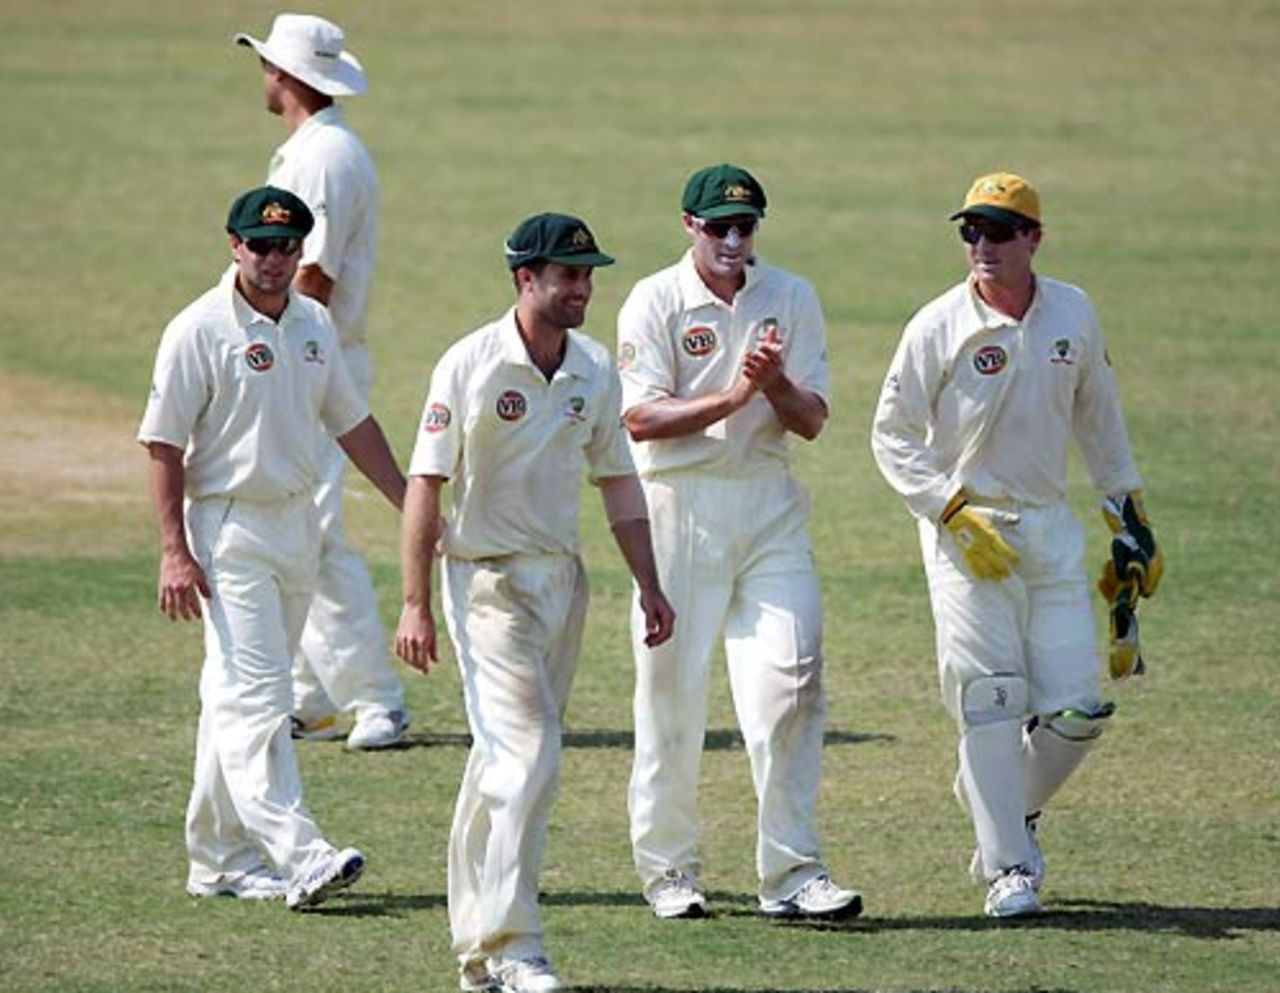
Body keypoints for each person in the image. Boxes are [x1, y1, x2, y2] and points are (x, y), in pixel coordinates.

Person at [870, 172, 1164, 917]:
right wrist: (949, 507)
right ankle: (1008, 865)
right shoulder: (937, 323)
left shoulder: (1073, 312)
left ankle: (994, 794)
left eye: (999, 232)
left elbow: (1100, 416)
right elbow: (892, 433)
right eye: (970, 231)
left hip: (1050, 528)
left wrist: (1128, 513)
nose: (982, 246)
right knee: (992, 701)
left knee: (1078, 710)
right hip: (968, 537)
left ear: (1034, 237)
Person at [395, 213, 676, 993]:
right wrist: (415, 601)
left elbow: (618, 481)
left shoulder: (592, 367)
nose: (583, 289)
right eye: (568, 276)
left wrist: (650, 582)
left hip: (562, 580)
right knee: (531, 758)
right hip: (486, 583)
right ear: (526, 278)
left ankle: (475, 951)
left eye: (588, 275)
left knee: (503, 762)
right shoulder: (471, 363)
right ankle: (518, 946)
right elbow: (427, 483)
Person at [138, 186, 407, 909]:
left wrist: (413, 503)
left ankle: (218, 860)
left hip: (297, 525)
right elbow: (163, 442)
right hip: (228, 528)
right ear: (234, 245)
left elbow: (353, 423)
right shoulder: (198, 328)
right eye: (260, 245)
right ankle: (304, 854)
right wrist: (173, 548)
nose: (273, 259)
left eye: (287, 246)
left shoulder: (314, 322)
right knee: (260, 696)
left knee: (231, 696)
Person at [616, 164, 860, 921]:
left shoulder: (791, 295)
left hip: (767, 505)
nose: (731, 240)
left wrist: (776, 383)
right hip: (677, 506)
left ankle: (791, 872)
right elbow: (639, 419)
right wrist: (734, 394)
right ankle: (670, 873)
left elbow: (812, 420)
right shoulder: (655, 299)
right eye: (717, 226)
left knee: (791, 686)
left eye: (744, 226)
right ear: (687, 224)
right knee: (670, 700)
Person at [235, 13, 409, 750]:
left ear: (290, 76)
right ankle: (311, 695)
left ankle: (378, 699)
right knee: (303, 522)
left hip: (316, 358)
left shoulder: (326, 157)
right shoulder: (315, 149)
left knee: (319, 526)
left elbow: (314, 273)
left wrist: (290, 362)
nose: (264, 75)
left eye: (270, 64)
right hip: (309, 355)